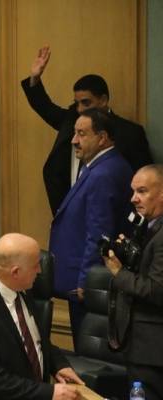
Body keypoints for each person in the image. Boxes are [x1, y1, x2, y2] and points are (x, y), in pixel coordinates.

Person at [0, 233, 84, 400]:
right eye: (35, 266)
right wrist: (49, 393)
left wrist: (58, 365)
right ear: (15, 272)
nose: (40, 271)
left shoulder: (20, 286)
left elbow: (36, 338)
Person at [21, 45, 152, 215]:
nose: (80, 109)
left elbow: (145, 182)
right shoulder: (71, 120)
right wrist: (35, 79)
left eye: (86, 102)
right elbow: (45, 107)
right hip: (69, 210)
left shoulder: (130, 133)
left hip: (110, 214)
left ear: (103, 100)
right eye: (77, 103)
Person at [49, 108, 133, 349]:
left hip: (88, 283)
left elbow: (99, 233)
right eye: (74, 133)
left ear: (102, 138)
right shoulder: (104, 166)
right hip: (87, 278)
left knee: (89, 353)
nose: (74, 140)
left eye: (82, 134)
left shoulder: (103, 174)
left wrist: (86, 279)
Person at [103, 164, 163, 400]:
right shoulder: (148, 226)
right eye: (133, 191)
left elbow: (157, 290)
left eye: (142, 191)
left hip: (152, 350)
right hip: (143, 347)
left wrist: (118, 272)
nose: (133, 198)